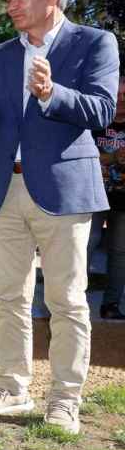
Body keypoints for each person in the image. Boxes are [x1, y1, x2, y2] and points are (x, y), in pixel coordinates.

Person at [0, 0, 119, 434]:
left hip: (64, 191)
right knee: (10, 297)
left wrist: (53, 94)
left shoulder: (95, 43)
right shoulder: (1, 54)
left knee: (67, 301)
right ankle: (12, 387)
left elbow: (103, 109)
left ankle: (65, 400)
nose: (10, 6)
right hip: (3, 189)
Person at [92, 73, 125, 321]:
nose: (122, 99)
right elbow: (83, 157)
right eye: (118, 94)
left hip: (122, 201)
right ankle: (74, 302)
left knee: (119, 252)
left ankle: (111, 305)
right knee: (84, 245)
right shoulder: (96, 120)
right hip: (91, 195)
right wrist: (113, 157)